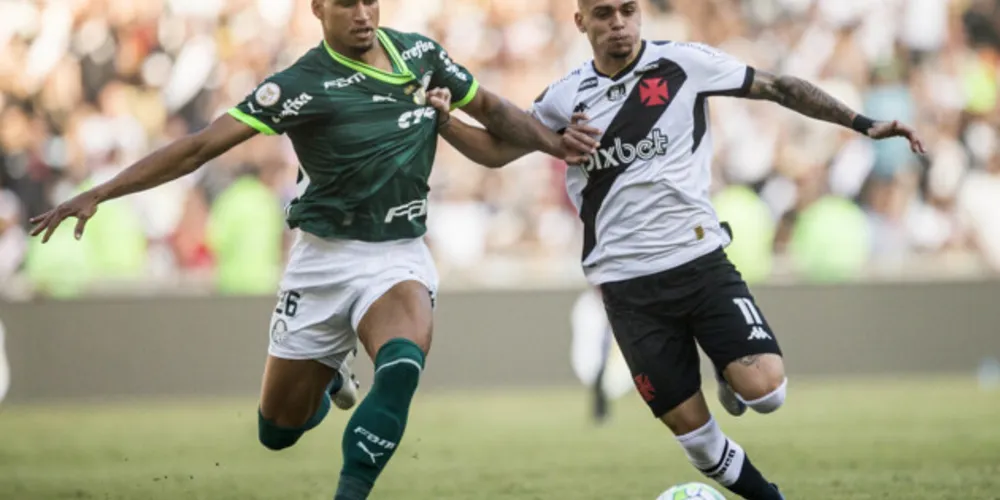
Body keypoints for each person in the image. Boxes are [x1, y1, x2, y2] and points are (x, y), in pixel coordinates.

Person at [28, 1, 595, 499]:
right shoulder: (299, 85)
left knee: (401, 367)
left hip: (397, 254)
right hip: (323, 261)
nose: (363, 14)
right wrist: (100, 192)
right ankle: (329, 379)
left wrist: (556, 145)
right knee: (277, 432)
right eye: (346, 4)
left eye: (370, 1)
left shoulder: (421, 55)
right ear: (317, 9)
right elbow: (200, 147)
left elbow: (493, 115)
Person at [425, 0, 925, 498]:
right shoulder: (562, 99)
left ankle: (727, 370)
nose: (618, 23)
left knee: (768, 393)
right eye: (604, 13)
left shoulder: (685, 63)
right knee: (698, 441)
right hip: (626, 287)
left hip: (698, 261)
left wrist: (863, 123)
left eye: (628, 10)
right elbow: (496, 150)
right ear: (580, 22)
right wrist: (445, 122)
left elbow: (779, 87)